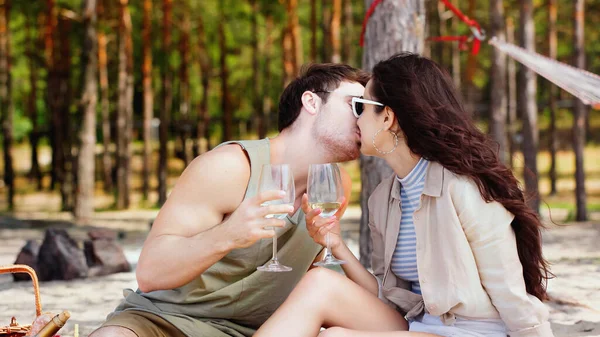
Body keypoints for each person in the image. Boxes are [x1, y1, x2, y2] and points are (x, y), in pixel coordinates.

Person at [254, 53, 554, 337]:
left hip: (472, 331)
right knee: (320, 284)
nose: (354, 119)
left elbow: (510, 291)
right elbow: (387, 296)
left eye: (361, 106)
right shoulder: (383, 198)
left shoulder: (462, 187)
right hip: (417, 326)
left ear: (387, 118)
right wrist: (336, 245)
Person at [89, 63, 370, 337]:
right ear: (311, 102)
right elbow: (150, 273)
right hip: (166, 320)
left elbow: (309, 278)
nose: (364, 117)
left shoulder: (335, 186)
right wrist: (229, 234)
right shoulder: (230, 168)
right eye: (355, 105)